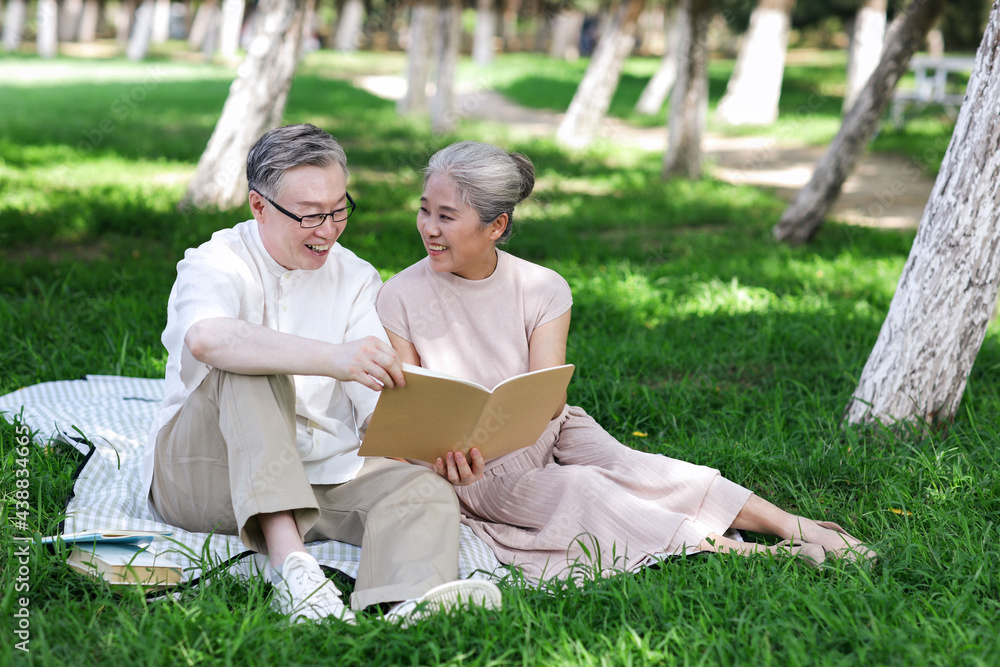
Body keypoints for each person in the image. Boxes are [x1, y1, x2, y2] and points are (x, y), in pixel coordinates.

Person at [375, 140, 877, 581]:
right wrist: (445, 457)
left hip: (551, 430)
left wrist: (533, 419)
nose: (428, 228)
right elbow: (416, 414)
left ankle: (800, 526)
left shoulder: (542, 287)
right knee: (583, 488)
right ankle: (756, 557)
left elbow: (548, 400)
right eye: (424, 210)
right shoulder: (399, 296)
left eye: (446, 216)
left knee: (642, 467)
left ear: (496, 225)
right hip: (477, 469)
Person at [142, 124, 500, 624]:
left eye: (338, 209)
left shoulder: (356, 278)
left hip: (319, 476)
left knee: (420, 489)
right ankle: (295, 572)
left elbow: (377, 405)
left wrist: (430, 447)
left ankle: (407, 604)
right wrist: (331, 357)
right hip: (205, 477)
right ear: (258, 206)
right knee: (249, 360)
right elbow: (207, 339)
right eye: (311, 215)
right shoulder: (215, 261)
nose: (329, 229)